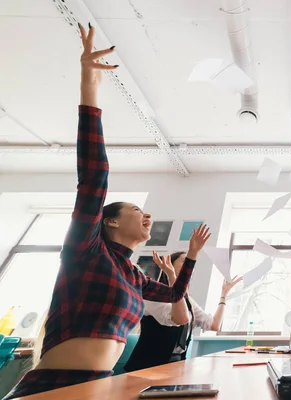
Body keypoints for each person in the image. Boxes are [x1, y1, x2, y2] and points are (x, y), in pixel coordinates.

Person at [4, 24, 210, 399]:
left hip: (100, 386)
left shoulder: (132, 273)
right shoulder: (87, 249)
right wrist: (90, 87)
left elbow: (175, 293)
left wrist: (192, 255)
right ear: (109, 220)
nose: (147, 217)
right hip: (56, 388)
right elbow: (94, 175)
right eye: (137, 210)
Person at [124, 251, 242, 371]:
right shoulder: (154, 294)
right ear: (170, 265)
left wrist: (224, 295)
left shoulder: (188, 300)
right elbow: (180, 318)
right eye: (184, 261)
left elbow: (214, 325)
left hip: (175, 366)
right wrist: (172, 276)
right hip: (146, 367)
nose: (189, 265)